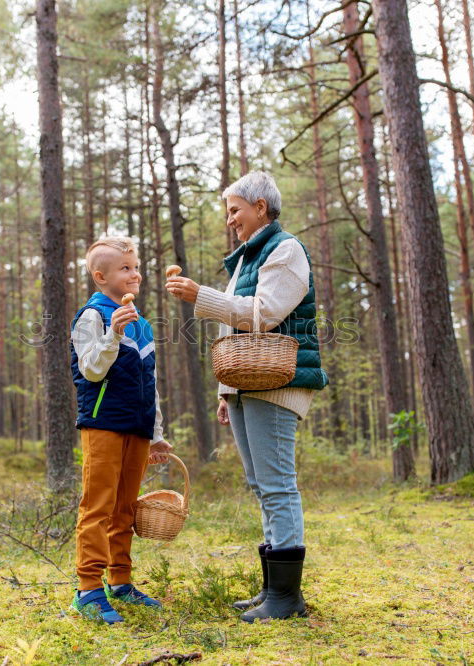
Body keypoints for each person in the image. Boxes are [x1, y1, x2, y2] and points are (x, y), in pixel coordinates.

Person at [166, 171, 327, 622]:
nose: (230, 220)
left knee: (278, 487)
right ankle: (273, 589)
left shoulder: (286, 250)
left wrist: (202, 295)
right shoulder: (246, 259)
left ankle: (286, 599)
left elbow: (267, 314)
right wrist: (226, 390)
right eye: (228, 212)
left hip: (276, 384)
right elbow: (233, 328)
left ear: (261, 207)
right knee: (262, 487)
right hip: (247, 386)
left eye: (235, 210)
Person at [69, 236, 174, 625]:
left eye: (136, 266)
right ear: (101, 276)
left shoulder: (142, 323)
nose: (136, 274)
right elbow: (90, 369)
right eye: (125, 268)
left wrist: (157, 430)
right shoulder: (92, 316)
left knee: (125, 509)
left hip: (139, 427)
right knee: (98, 506)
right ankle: (88, 589)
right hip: (103, 424)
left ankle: (121, 581)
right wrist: (112, 334)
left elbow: (151, 380)